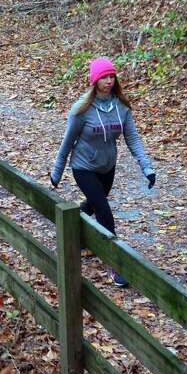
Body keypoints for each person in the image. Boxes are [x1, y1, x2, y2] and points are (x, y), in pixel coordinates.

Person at [50, 57, 156, 287]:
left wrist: (146, 167)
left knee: (92, 204)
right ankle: (115, 264)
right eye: (104, 77)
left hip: (108, 167)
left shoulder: (121, 106)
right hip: (83, 167)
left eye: (111, 76)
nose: (109, 81)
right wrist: (57, 171)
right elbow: (67, 142)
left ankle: (71, 229)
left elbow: (132, 139)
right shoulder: (81, 109)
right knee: (104, 211)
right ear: (94, 80)